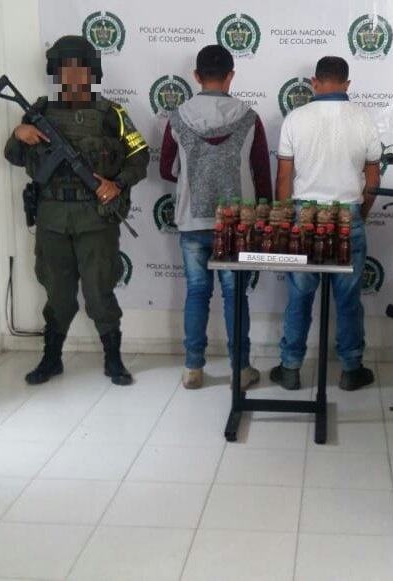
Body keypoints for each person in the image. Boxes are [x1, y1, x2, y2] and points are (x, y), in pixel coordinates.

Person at [4, 35, 149, 386]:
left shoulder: (111, 114)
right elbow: (13, 156)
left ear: (92, 72)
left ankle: (113, 360)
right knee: (57, 294)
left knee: (99, 293)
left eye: (80, 68)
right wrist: (19, 133)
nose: (72, 75)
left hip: (95, 219)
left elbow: (140, 156)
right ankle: (51, 358)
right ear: (56, 72)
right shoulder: (40, 111)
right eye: (65, 68)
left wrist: (117, 184)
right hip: (52, 219)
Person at [160, 45, 272, 390]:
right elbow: (262, 173)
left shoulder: (177, 117)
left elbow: (166, 169)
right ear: (231, 75)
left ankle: (193, 369)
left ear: (196, 76)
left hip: (193, 222)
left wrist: (195, 180)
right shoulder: (250, 118)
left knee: (196, 293)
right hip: (236, 224)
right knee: (235, 296)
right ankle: (241, 369)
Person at [269, 56, 381, 392]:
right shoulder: (363, 118)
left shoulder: (295, 119)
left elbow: (284, 178)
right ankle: (351, 369)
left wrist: (284, 220)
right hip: (348, 214)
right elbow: (373, 180)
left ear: (314, 83)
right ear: (347, 84)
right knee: (348, 299)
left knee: (299, 296)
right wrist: (361, 215)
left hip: (305, 216)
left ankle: (290, 368)